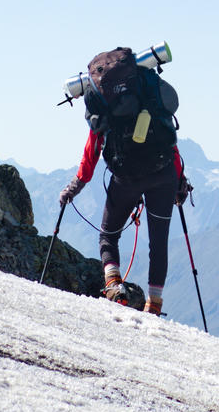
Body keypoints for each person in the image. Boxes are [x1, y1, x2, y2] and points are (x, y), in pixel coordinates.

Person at [58, 49, 189, 315]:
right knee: (158, 243)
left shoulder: (103, 102)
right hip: (163, 173)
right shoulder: (148, 91)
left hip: (126, 176)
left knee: (108, 234)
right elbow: (167, 137)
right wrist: (179, 182)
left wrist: (76, 185)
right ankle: (154, 305)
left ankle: (114, 287)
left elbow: (92, 149)